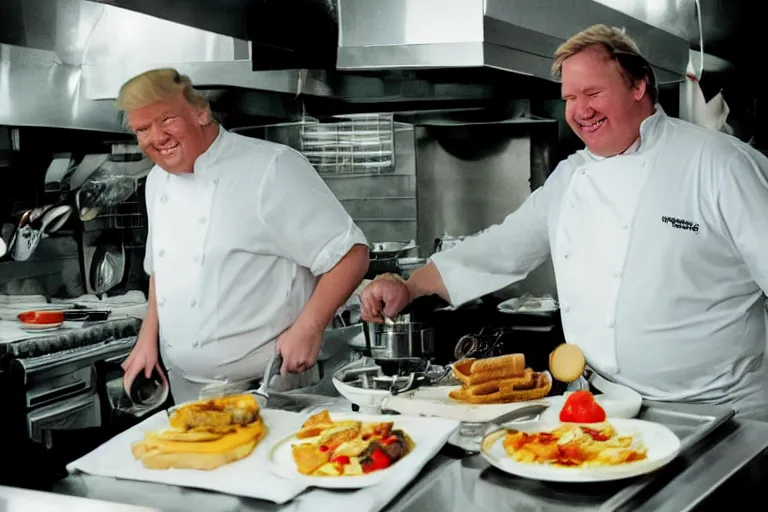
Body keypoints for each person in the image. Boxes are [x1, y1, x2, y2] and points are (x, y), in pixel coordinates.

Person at [361, 24, 768, 421]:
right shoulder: (570, 177)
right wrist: (410, 286)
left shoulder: (720, 165)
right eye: (570, 97)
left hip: (723, 411)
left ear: (639, 85)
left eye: (593, 92)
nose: (581, 110)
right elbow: (503, 246)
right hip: (602, 410)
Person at [118, 68, 369, 403]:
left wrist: (309, 327)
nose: (157, 136)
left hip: (269, 386)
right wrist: (147, 339)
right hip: (185, 390)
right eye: (143, 129)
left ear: (200, 112)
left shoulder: (271, 167)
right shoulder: (156, 182)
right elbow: (161, 270)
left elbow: (350, 254)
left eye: (167, 119)